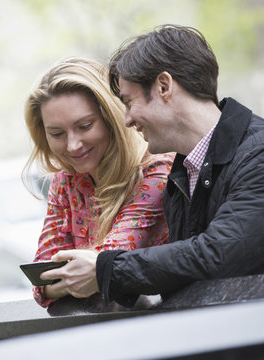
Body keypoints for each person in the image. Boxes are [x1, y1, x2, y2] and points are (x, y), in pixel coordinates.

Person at [41, 24, 264, 307]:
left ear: (163, 86)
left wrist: (105, 269)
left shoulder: (258, 153)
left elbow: (217, 254)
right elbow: (184, 273)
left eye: (129, 102)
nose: (127, 120)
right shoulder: (183, 172)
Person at [23, 57, 174, 307]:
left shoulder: (156, 171)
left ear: (111, 118)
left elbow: (102, 268)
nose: (72, 145)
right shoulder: (65, 180)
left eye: (85, 126)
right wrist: (76, 277)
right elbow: (42, 281)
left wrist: (87, 274)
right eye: (56, 134)